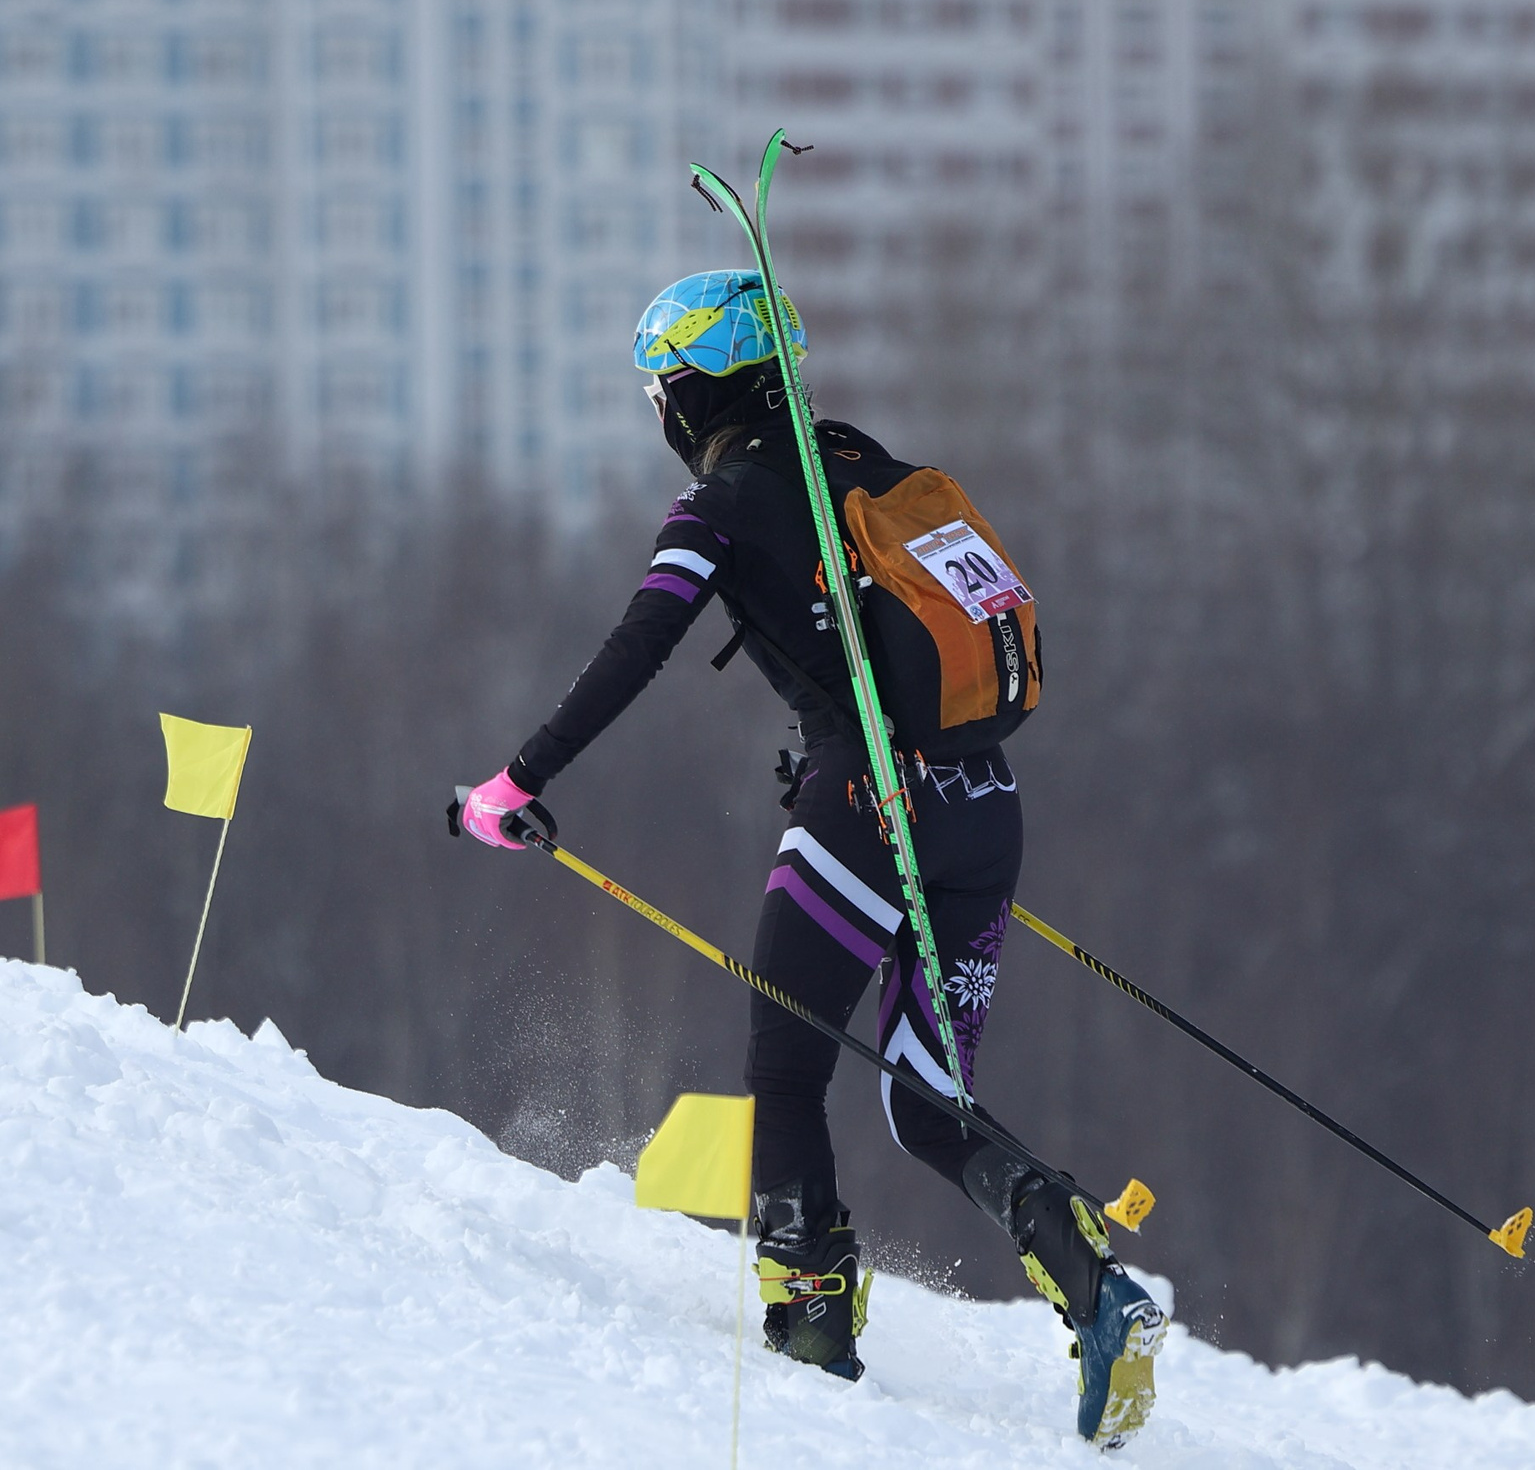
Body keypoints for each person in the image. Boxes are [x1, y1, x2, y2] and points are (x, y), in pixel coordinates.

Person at [456, 269, 1166, 1446]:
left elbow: (641, 643)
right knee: (927, 1101)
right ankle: (1094, 1287)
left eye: (657, 393)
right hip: (982, 803)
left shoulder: (720, 502)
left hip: (866, 807)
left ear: (690, 394)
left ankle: (810, 1322)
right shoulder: (858, 456)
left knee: (787, 1070)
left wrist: (518, 779)